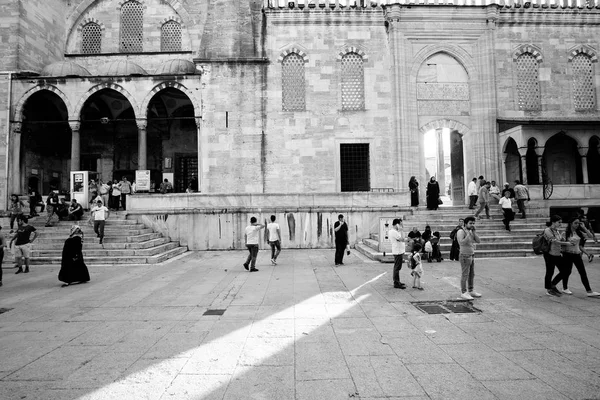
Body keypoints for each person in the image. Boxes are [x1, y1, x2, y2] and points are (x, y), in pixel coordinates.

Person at [551, 217, 600, 297]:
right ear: (571, 223)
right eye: (575, 223)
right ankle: (561, 287)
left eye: (578, 223)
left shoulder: (579, 232)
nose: (577, 225)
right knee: (567, 272)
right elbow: (561, 243)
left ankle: (589, 291)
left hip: (576, 254)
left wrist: (584, 228)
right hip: (567, 254)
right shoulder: (565, 233)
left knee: (582, 272)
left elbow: (590, 236)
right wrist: (566, 243)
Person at [543, 215, 570, 297]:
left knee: (565, 271)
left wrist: (562, 238)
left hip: (557, 254)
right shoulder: (547, 230)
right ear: (553, 222)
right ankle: (549, 289)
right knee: (550, 271)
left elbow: (559, 240)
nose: (560, 224)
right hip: (549, 254)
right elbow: (554, 241)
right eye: (559, 222)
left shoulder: (557, 231)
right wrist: (565, 243)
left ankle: (552, 285)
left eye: (561, 222)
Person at [457, 216, 482, 300]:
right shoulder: (461, 231)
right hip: (464, 255)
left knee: (472, 274)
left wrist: (474, 232)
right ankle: (463, 292)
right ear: (465, 223)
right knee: (465, 274)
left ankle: (471, 290)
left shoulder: (471, 231)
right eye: (470, 223)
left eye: (473, 223)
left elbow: (478, 241)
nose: (472, 225)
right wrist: (468, 235)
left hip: (471, 254)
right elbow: (461, 242)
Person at [388, 218, 407, 289]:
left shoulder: (396, 231)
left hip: (399, 251)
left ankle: (397, 281)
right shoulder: (393, 232)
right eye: (400, 224)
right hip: (397, 251)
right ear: (397, 224)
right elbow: (402, 239)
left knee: (398, 267)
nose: (401, 226)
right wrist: (401, 230)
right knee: (397, 267)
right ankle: (396, 282)